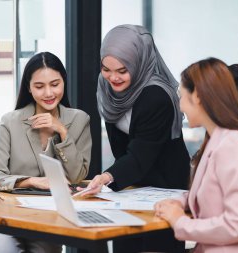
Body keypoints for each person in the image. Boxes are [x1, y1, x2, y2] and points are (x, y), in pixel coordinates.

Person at [80, 24, 190, 252]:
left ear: (139, 63)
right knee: (124, 241)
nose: (113, 78)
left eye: (122, 70)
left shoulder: (156, 95)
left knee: (157, 244)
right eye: (106, 69)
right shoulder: (106, 85)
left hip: (164, 182)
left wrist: (109, 176)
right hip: (132, 182)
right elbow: (122, 149)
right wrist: (116, 177)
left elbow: (142, 153)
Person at [155, 57, 238, 253]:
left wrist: (180, 221)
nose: (180, 106)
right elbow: (213, 190)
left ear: (199, 98)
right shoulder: (216, 138)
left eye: (182, 97)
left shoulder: (234, 146)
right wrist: (181, 202)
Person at [0, 51, 92, 253]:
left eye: (55, 84)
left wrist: (62, 131)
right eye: (39, 86)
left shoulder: (79, 120)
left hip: (49, 220)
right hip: (7, 216)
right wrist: (29, 181)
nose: (48, 93)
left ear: (64, 82)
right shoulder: (10, 121)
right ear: (29, 88)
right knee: (1, 248)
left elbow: (76, 176)